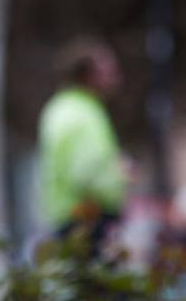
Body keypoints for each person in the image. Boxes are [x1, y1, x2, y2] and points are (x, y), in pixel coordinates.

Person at [38, 38, 126, 259]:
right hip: (88, 219)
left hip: (65, 217)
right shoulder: (84, 114)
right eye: (109, 70)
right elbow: (87, 173)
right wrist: (120, 176)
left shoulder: (59, 107)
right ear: (89, 75)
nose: (116, 77)